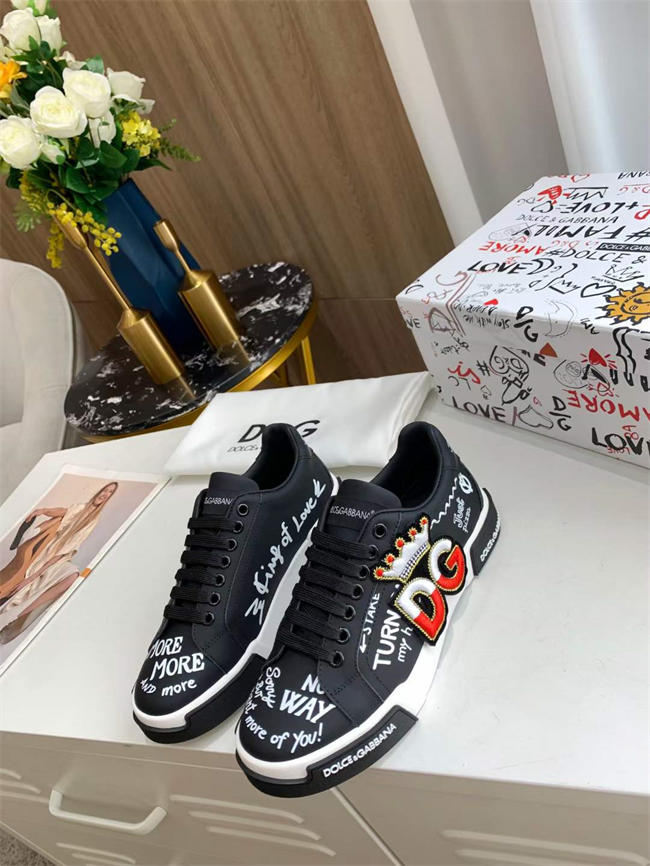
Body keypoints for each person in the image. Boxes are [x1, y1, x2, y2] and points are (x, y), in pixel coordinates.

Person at [0, 482, 118, 641]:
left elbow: (66, 550)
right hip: (46, 549)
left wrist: (34, 576)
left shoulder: (92, 520)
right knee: (17, 583)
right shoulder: (80, 507)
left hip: (56, 558)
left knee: (69, 576)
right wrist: (43, 510)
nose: (105, 494)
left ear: (109, 498)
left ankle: (14, 621)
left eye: (110, 492)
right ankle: (12, 620)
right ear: (99, 491)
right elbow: (65, 512)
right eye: (105, 490)